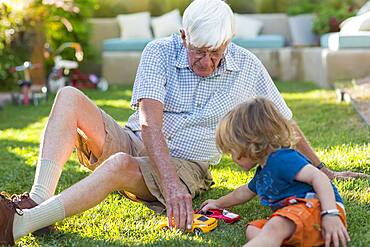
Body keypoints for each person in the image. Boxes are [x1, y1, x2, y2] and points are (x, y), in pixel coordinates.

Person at [0, 0, 364, 245]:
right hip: (134, 138)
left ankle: (19, 226)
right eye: (197, 52)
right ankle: (36, 203)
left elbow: (287, 121)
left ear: (229, 42)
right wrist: (170, 189)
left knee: (120, 166)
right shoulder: (158, 52)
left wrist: (322, 170)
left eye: (215, 53)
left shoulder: (248, 65)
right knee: (68, 97)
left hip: (188, 163)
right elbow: (149, 124)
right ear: (183, 36)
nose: (205, 62)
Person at [200, 97, 350, 247]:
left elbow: (320, 178)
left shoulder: (282, 158)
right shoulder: (263, 172)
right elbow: (243, 192)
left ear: (249, 142)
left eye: (232, 151)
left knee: (275, 225)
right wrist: (217, 203)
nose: (232, 158)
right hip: (297, 217)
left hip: (320, 209)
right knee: (253, 229)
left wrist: (330, 214)